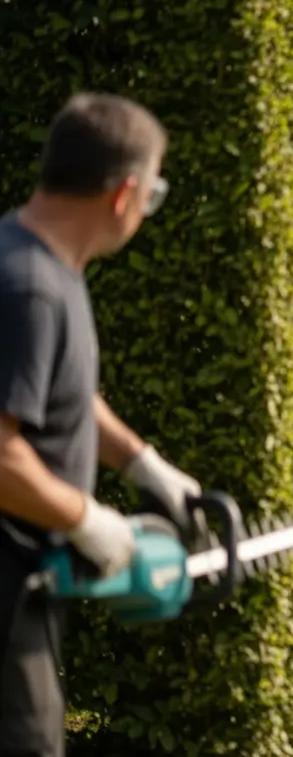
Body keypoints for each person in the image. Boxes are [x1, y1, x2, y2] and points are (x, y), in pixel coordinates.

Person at [0, 92, 203, 757]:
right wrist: (88, 519)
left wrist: (142, 462)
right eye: (154, 193)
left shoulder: (43, 265)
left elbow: (59, 391)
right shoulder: (27, 286)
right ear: (124, 196)